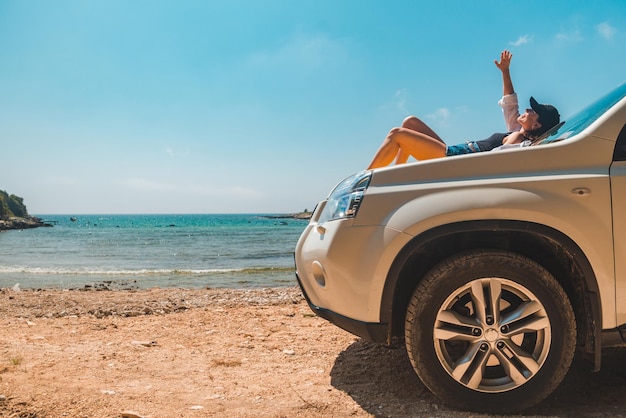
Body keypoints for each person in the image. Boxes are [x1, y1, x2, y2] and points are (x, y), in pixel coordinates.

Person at [367, 50, 560, 169]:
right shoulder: (516, 132)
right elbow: (510, 104)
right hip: (455, 152)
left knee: (397, 134)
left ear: (537, 124)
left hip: (453, 160)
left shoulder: (518, 141)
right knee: (410, 122)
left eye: (533, 111)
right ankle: (397, 174)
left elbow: (495, 162)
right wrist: (506, 71)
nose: (527, 109)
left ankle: (366, 182)